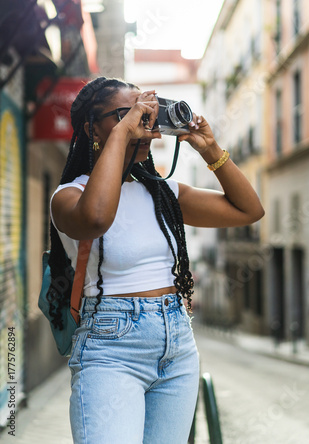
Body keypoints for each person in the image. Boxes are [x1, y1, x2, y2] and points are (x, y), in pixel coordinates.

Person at [48, 76, 264, 444]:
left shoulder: (164, 193)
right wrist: (123, 134)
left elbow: (249, 209)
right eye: (127, 114)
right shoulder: (70, 195)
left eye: (146, 114)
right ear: (91, 128)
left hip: (176, 344)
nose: (142, 123)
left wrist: (211, 150)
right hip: (110, 348)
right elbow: (97, 218)